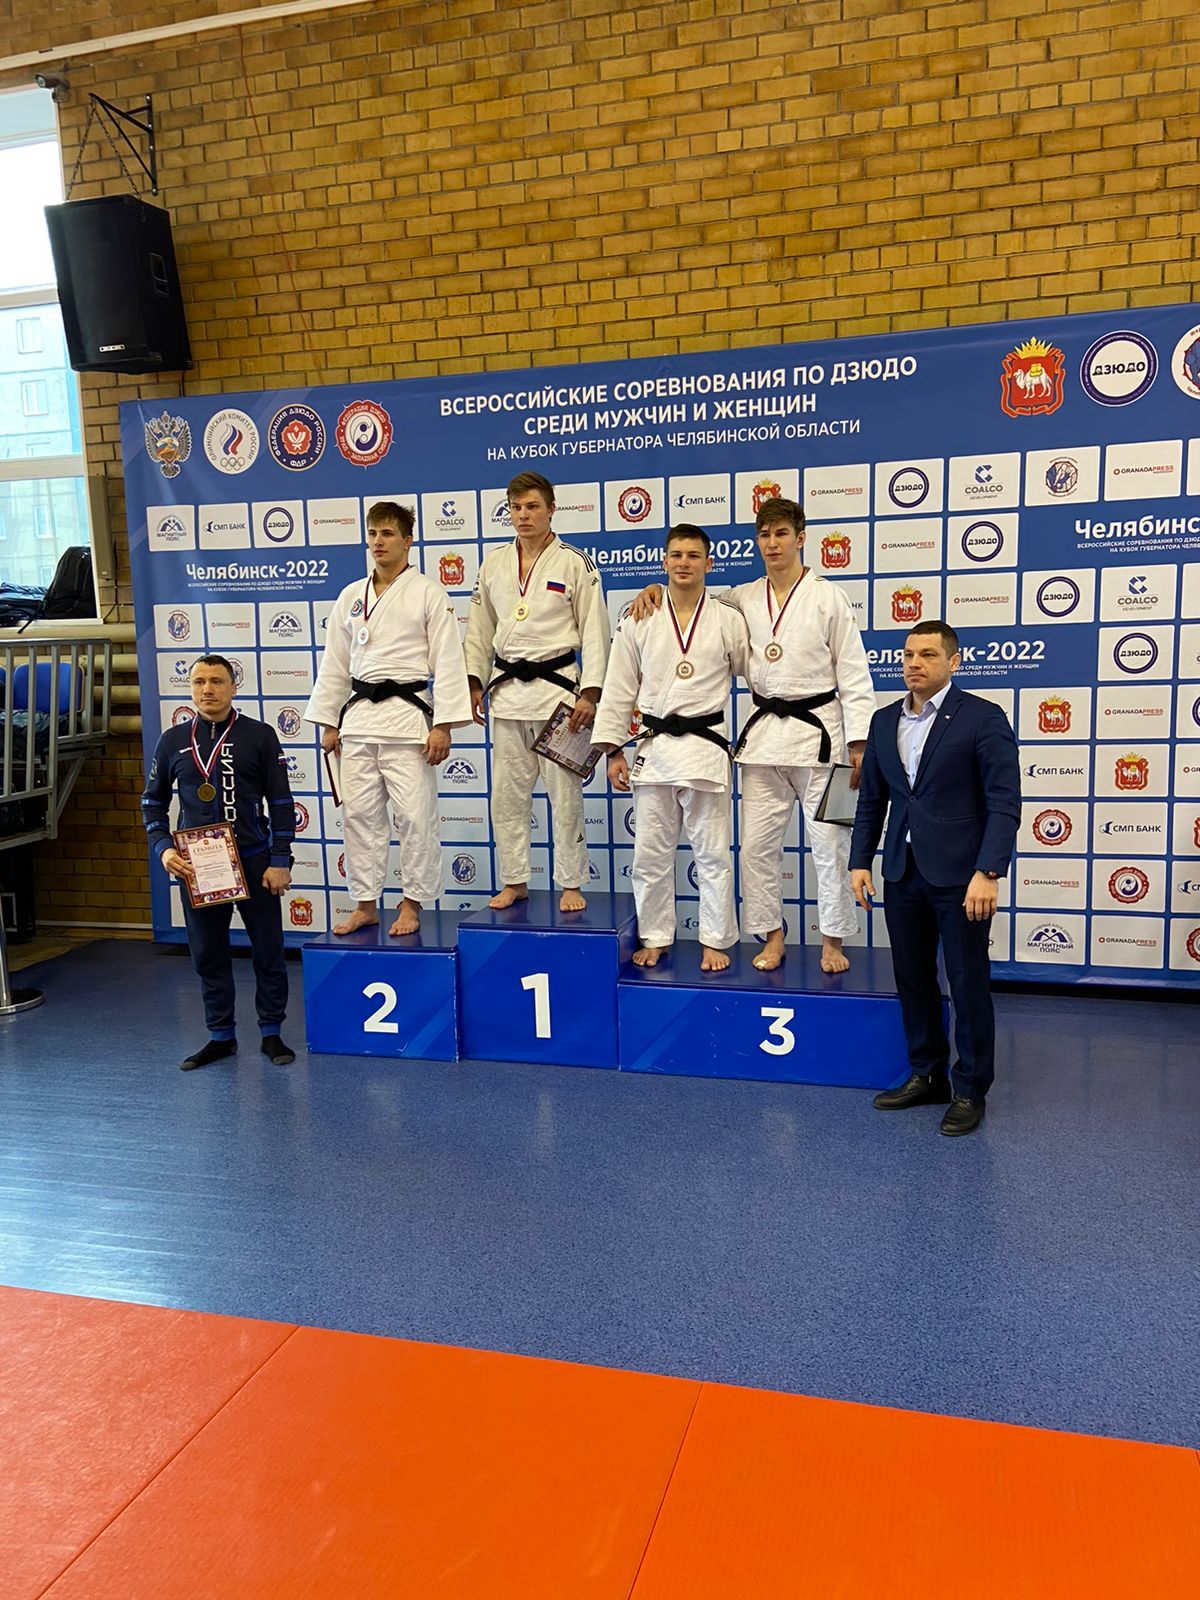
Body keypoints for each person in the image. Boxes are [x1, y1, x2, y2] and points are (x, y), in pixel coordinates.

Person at [632, 496, 875, 973]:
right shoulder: (741, 597)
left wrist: (861, 743)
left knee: (833, 845)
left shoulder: (830, 597)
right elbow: (692, 601)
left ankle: (833, 940)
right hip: (763, 743)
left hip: (828, 739)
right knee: (757, 849)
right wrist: (655, 589)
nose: (772, 543)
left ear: (801, 538)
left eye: (781, 534)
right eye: (764, 535)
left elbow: (854, 673)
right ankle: (772, 936)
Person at [849, 620, 1021, 1137]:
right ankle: (927, 1075)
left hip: (962, 877)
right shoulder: (883, 721)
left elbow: (1003, 802)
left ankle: (970, 1089)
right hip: (902, 872)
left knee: (967, 983)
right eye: (908, 655)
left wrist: (988, 871)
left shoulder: (983, 717)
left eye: (927, 654)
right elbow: (872, 800)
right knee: (913, 978)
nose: (914, 664)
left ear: (953, 661)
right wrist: (860, 861)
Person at [304, 501, 472, 936]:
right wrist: (329, 721)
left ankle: (411, 904)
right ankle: (365, 904)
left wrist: (443, 725)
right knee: (359, 817)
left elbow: (448, 661)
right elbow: (335, 663)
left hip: (408, 720)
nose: (378, 542)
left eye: (388, 534)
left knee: (415, 817)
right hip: (359, 721)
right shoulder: (350, 596)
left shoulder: (428, 593)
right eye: (373, 533)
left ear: (407, 540)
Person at [592, 524, 750, 971]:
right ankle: (656, 935)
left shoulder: (728, 618)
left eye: (693, 555)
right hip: (656, 749)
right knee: (650, 855)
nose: (684, 563)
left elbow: (757, 675)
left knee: (713, 854)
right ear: (664, 562)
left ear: (709, 564)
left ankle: (715, 939)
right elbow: (619, 686)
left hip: (705, 749)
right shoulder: (639, 617)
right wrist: (613, 750)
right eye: (676, 555)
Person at [464, 470, 610, 913]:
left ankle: (571, 883)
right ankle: (514, 880)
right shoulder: (493, 564)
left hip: (558, 696)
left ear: (551, 509)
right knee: (507, 798)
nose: (523, 515)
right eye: (516, 507)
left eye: (532, 506)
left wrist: (590, 694)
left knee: (565, 797)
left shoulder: (575, 562)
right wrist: (473, 682)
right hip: (508, 695)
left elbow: (595, 630)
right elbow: (479, 631)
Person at [141, 655, 296, 1071]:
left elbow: (281, 802)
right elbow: (152, 802)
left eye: (216, 681)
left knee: (268, 951)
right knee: (208, 953)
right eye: (199, 682)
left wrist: (280, 859)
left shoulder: (259, 736)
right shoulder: (173, 740)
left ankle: (271, 1032)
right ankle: (221, 1036)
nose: (207, 689)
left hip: (255, 862)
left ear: (233, 687)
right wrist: (164, 849)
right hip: (198, 867)